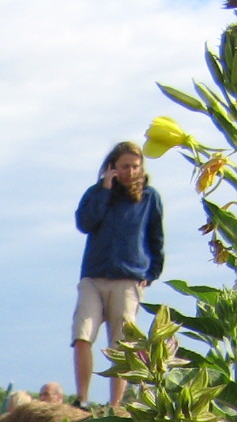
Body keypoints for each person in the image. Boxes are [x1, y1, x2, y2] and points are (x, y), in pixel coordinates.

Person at [73, 141, 163, 408]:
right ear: (112, 167)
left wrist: (152, 272)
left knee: (122, 345)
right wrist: (104, 190)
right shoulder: (97, 193)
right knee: (82, 334)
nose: (131, 171)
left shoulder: (149, 197)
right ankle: (82, 399)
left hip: (128, 277)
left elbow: (156, 238)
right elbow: (85, 223)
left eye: (135, 166)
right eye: (125, 166)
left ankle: (115, 403)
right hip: (94, 275)